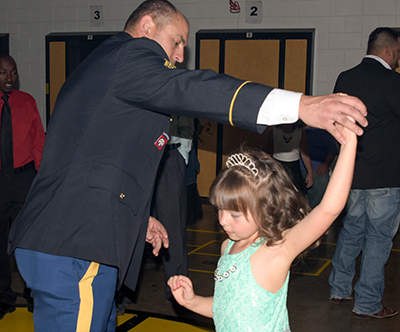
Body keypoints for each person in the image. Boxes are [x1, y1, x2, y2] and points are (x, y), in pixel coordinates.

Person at [7, 0, 367, 330]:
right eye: (177, 41)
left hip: (80, 238)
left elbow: (89, 159)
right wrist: (300, 106)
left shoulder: (106, 69)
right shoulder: (129, 56)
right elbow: (190, 88)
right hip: (75, 247)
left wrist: (136, 217)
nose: (180, 55)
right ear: (147, 26)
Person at [168, 120, 357, 331]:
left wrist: (348, 143)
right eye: (219, 209)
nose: (222, 220)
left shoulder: (275, 251)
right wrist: (191, 301)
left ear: (264, 210)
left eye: (235, 214)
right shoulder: (227, 248)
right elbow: (227, 309)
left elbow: (328, 209)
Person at [328, 27, 400, 319]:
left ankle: (339, 288)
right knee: (378, 239)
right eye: (397, 52)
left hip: (352, 176)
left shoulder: (346, 78)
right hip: (384, 178)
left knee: (351, 232)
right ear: (389, 51)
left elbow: (335, 123)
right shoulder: (392, 81)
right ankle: (368, 303)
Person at [0, 54, 45, 320]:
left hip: (23, 179)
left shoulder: (27, 102)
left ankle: (32, 294)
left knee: (25, 240)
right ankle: (3, 296)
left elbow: (38, 139)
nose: (9, 78)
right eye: (3, 73)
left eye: (13, 72)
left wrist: (41, 179)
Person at [267, 121, 313, 194]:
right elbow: (269, 150)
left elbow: (304, 153)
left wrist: (310, 173)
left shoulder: (300, 131)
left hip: (294, 167)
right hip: (278, 165)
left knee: (296, 194)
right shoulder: (273, 130)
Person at [300, 127, 338, 209]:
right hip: (298, 164)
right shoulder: (299, 129)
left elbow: (332, 151)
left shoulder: (324, 132)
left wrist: (326, 165)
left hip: (317, 165)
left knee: (322, 180)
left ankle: (312, 210)